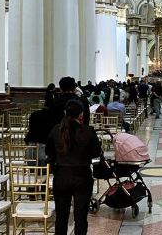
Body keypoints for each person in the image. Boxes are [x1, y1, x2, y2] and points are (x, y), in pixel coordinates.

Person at [46, 99, 102, 235]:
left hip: (61, 176)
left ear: (65, 112)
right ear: (81, 115)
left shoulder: (56, 130)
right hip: (82, 176)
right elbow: (96, 153)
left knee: (61, 217)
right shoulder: (88, 131)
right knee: (81, 217)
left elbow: (49, 152)